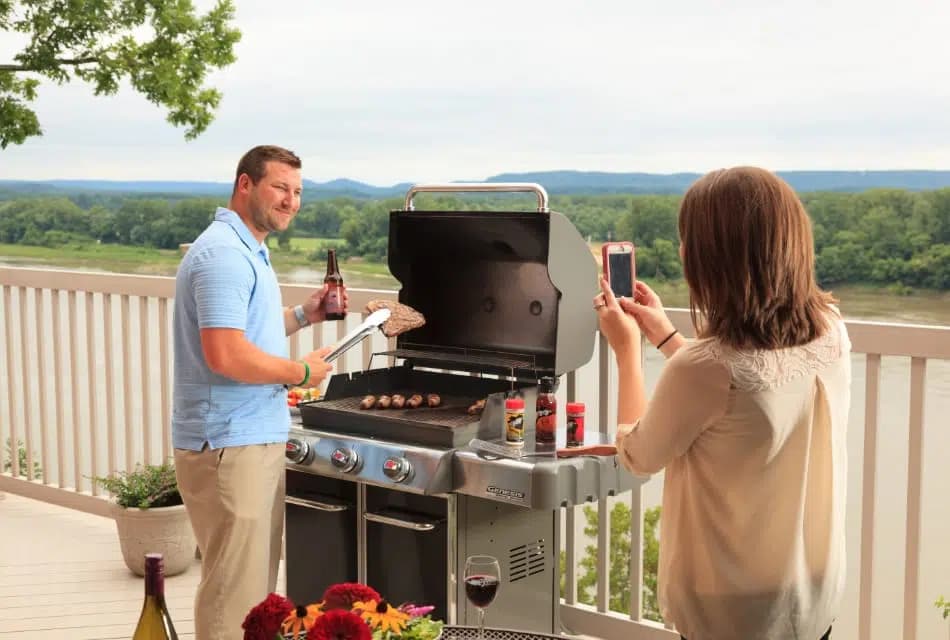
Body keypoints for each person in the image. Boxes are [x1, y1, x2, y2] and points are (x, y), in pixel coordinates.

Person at [594, 166, 850, 640]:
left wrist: (627, 351)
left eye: (687, 238)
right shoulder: (831, 330)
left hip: (733, 608)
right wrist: (667, 337)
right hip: (812, 589)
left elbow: (637, 456)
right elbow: (747, 389)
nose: (681, 249)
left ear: (714, 258)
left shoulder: (706, 370)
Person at [172, 145, 347, 640]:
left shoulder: (246, 248)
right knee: (235, 597)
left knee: (251, 596)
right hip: (231, 446)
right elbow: (225, 355)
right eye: (279, 188)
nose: (290, 201)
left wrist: (302, 317)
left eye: (297, 192)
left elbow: (242, 335)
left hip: (245, 441)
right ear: (245, 185)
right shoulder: (225, 255)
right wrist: (300, 372)